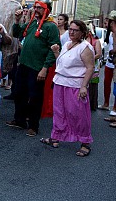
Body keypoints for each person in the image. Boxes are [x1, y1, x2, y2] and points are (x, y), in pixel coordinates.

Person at [6, 0, 61, 137]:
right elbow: (17, 33)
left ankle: (33, 126)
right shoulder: (32, 24)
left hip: (37, 68)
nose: (36, 10)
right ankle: (19, 120)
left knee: (35, 97)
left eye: (39, 8)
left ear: (47, 10)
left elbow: (53, 48)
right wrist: (17, 21)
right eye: (35, 7)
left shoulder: (51, 27)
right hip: (23, 65)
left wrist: (45, 68)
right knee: (19, 93)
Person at [40, 20, 95, 157]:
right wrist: (56, 53)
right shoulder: (66, 44)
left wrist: (84, 86)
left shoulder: (85, 47)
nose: (71, 32)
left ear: (82, 32)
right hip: (60, 82)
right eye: (70, 29)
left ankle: (85, 142)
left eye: (75, 30)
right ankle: (56, 137)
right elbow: (62, 64)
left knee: (78, 113)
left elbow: (90, 68)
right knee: (59, 111)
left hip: (75, 85)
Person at [98, 17, 116, 114]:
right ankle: (106, 104)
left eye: (106, 23)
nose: (105, 25)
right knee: (106, 83)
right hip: (109, 63)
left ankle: (115, 107)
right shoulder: (109, 33)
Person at [85, 23, 102, 111]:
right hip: (83, 66)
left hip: (93, 66)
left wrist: (89, 59)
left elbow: (99, 54)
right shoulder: (82, 40)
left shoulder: (96, 41)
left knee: (92, 85)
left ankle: (91, 104)